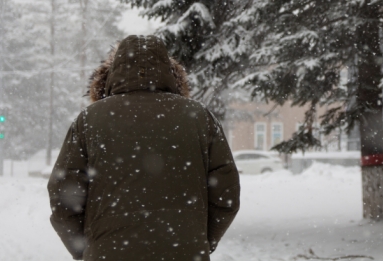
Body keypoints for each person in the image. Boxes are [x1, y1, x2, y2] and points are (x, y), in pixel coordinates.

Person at [47, 35, 240, 261]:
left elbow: (64, 196)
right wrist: (197, 239)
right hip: (184, 251)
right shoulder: (198, 117)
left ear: (111, 73)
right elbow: (226, 193)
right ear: (171, 72)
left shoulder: (89, 120)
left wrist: (86, 247)